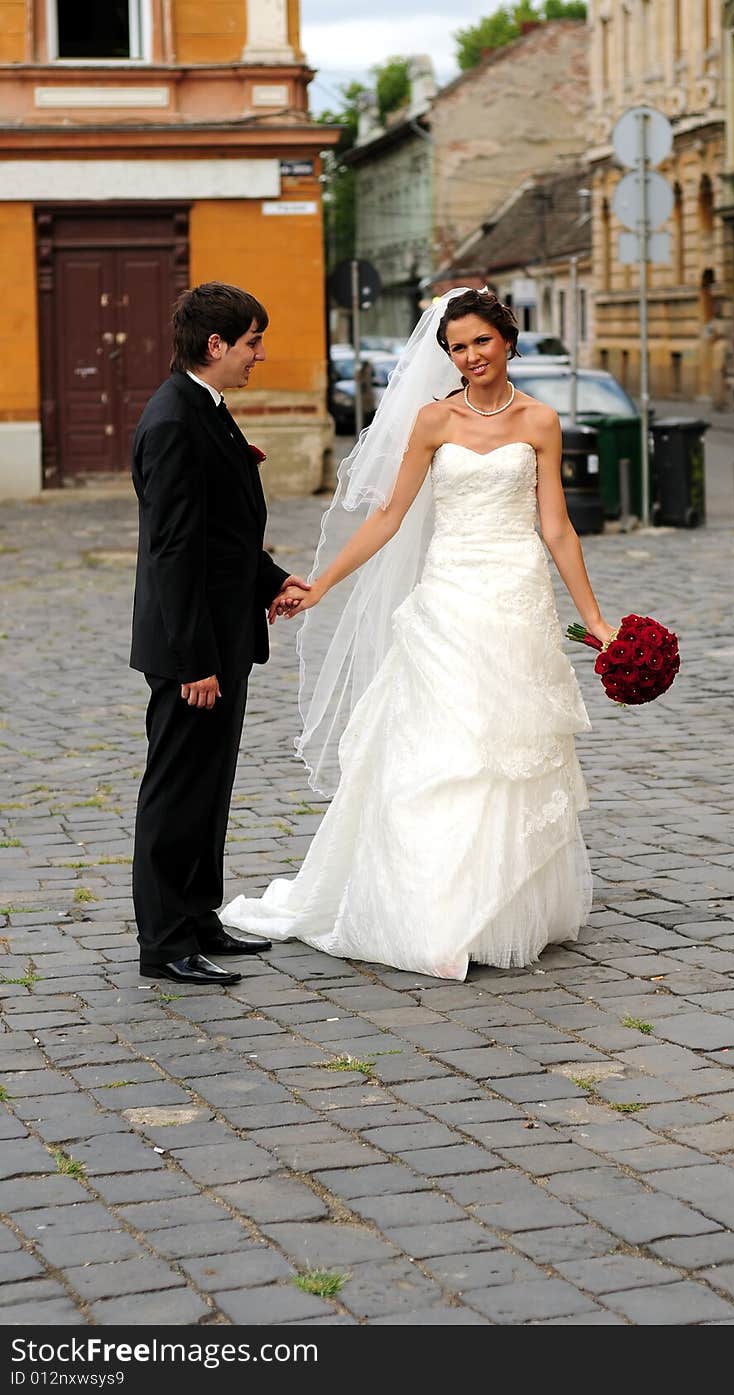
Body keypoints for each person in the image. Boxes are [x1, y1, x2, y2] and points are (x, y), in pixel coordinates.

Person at [221, 288, 615, 981]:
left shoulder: (542, 421)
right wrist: (322, 584)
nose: (471, 356)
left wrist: (597, 620)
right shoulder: (434, 422)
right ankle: (432, 910)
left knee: (512, 743)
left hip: (516, 595)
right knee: (445, 747)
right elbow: (388, 516)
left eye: (481, 342)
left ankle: (504, 909)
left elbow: (555, 526)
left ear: (507, 340)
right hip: (449, 598)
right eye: (458, 347)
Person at [130, 282, 309, 987]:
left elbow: (221, 532)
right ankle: (165, 940)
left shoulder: (206, 408)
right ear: (217, 344)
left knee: (210, 786)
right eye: (252, 342)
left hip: (222, 633)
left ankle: (199, 916)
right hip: (192, 649)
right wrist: (194, 661)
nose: (258, 355)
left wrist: (272, 581)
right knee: (176, 792)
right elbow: (174, 551)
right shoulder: (174, 419)